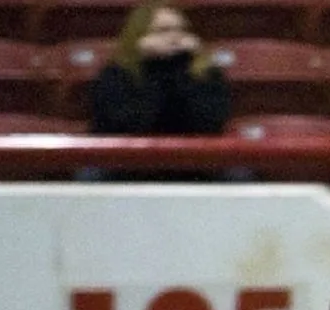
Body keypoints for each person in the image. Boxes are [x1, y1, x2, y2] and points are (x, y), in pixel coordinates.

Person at [86, 4, 231, 179]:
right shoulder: (116, 75)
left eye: (181, 30)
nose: (175, 37)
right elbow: (130, 126)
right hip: (128, 166)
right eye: (163, 31)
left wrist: (179, 68)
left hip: (193, 166)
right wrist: (155, 69)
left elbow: (208, 125)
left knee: (238, 173)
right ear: (139, 36)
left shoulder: (207, 75)